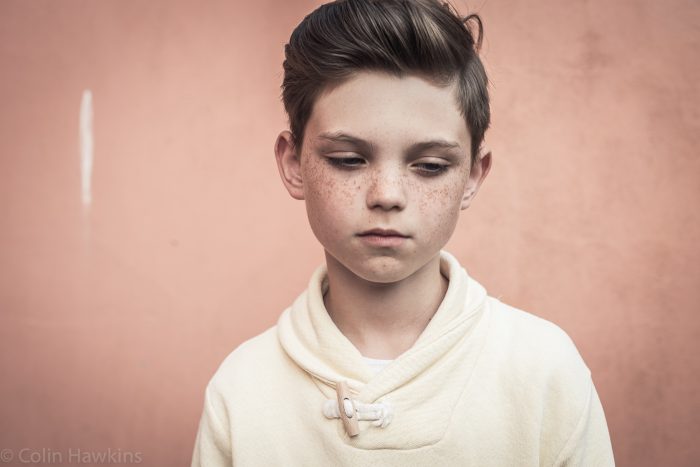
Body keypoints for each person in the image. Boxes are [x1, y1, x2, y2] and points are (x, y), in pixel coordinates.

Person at [190, 0, 615, 465]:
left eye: (430, 166)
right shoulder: (241, 387)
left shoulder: (545, 370)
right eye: (348, 160)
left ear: (473, 176)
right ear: (294, 164)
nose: (387, 195)